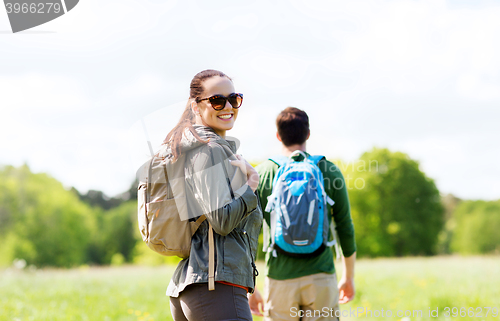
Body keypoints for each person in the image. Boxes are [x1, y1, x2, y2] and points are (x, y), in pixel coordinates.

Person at [166, 69, 263, 321]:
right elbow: (221, 220)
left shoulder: (204, 149)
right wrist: (252, 185)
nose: (228, 106)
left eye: (234, 98)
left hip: (204, 285)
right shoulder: (208, 151)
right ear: (196, 106)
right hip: (215, 287)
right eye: (217, 100)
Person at [249, 107, 357, 321]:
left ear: (278, 136)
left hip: (279, 278)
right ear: (308, 134)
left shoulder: (261, 174)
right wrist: (348, 277)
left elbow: (248, 233)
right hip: (321, 276)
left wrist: (250, 287)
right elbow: (345, 226)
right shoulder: (329, 170)